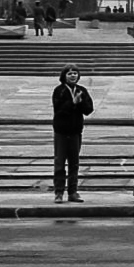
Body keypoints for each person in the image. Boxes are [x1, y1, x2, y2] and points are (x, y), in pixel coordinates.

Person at [51, 63, 94, 203]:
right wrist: (73, 103)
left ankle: (73, 192)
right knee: (60, 163)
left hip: (75, 132)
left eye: (75, 73)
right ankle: (58, 192)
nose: (73, 76)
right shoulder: (59, 91)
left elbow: (88, 109)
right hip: (62, 132)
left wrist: (80, 103)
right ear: (64, 76)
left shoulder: (81, 90)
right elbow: (59, 110)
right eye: (69, 73)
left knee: (74, 163)